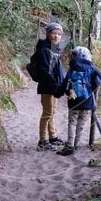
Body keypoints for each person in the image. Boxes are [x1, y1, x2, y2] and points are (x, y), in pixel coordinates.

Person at [57, 46, 100, 156]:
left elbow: (65, 84)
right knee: (81, 124)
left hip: (73, 101)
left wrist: (64, 92)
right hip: (87, 102)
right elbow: (97, 84)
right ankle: (76, 144)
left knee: (72, 123)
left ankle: (70, 145)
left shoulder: (72, 69)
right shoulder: (91, 69)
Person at [34, 22, 66, 151]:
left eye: (59, 34)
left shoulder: (55, 49)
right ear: (48, 34)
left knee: (52, 113)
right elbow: (45, 71)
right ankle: (43, 140)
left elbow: (57, 70)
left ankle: (52, 137)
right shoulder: (44, 50)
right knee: (47, 114)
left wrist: (60, 86)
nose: (56, 36)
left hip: (54, 86)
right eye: (54, 33)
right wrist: (55, 86)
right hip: (48, 87)